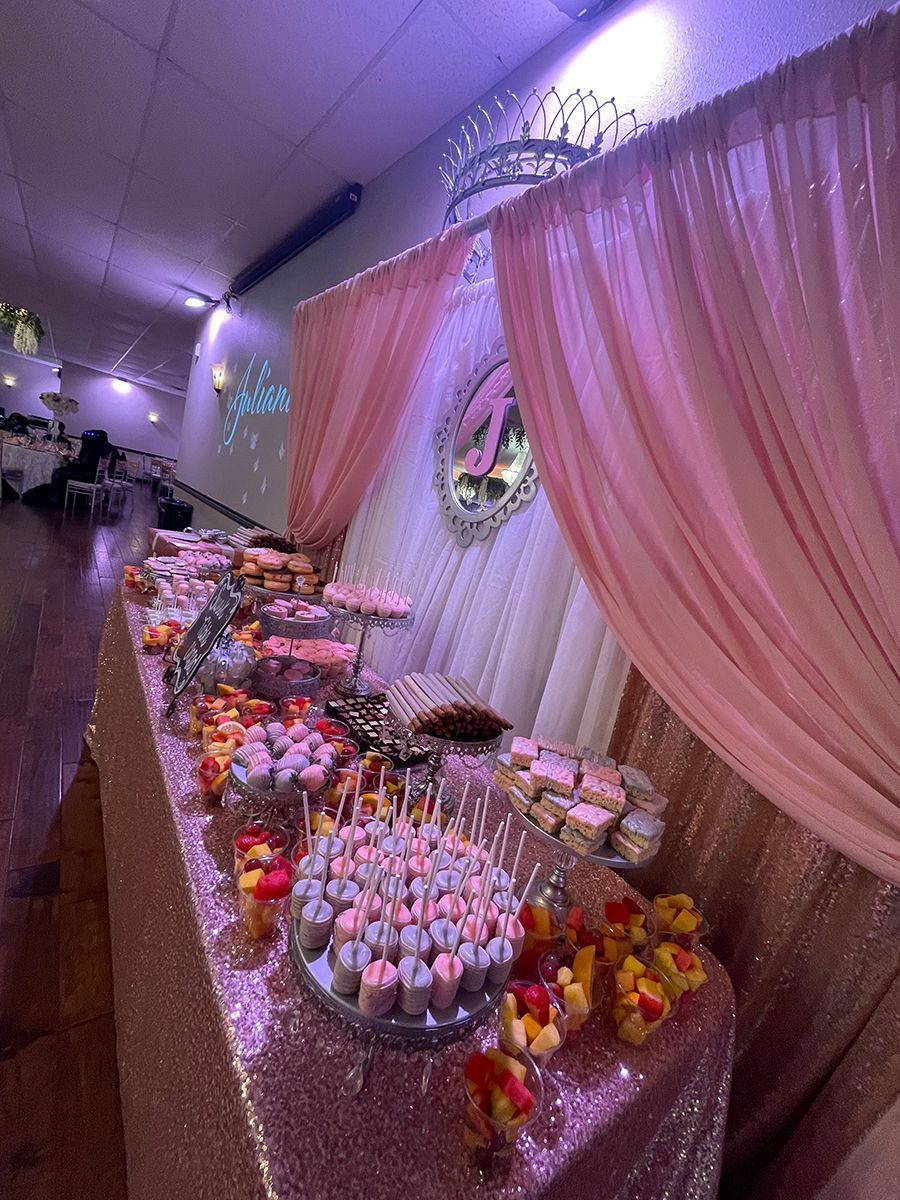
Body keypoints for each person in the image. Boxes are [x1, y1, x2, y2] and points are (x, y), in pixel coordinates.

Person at [46, 428, 121, 507]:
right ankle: (67, 500)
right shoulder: (106, 449)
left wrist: (69, 458)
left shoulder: (91, 449)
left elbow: (83, 464)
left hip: (86, 475)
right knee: (63, 471)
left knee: (57, 472)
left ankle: (55, 500)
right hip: (96, 477)